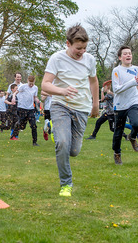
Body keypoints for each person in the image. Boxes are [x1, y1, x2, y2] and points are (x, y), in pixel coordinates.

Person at [41, 24, 99, 197]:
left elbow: (94, 81)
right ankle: (66, 184)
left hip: (82, 108)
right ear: (68, 43)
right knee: (63, 144)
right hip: (61, 105)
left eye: (84, 48)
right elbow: (44, 84)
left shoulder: (89, 60)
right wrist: (62, 91)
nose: (81, 52)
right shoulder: (56, 59)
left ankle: (54, 129)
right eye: (78, 48)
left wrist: (95, 104)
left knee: (73, 151)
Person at [13, 75, 40, 146]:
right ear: (27, 81)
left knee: (33, 125)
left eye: (32, 83)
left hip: (30, 109)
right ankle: (15, 129)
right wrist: (13, 98)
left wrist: (37, 100)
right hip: (22, 108)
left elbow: (35, 97)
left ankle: (34, 142)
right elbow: (15, 92)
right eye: (30, 83)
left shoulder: (35, 88)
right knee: (22, 126)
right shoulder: (23, 86)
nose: (31, 85)